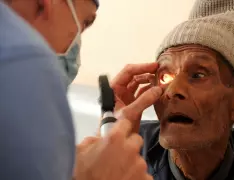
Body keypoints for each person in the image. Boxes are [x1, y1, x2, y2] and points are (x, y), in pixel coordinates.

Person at [89, 0, 234, 179]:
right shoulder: (130, 146)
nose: (173, 90)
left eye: (198, 75)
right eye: (165, 76)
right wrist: (107, 149)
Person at [0, 0, 161, 180]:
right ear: (47, 3)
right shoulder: (23, 61)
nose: (77, 43)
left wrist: (86, 161)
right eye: (84, 22)